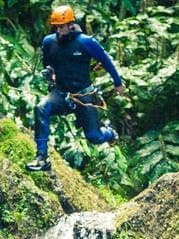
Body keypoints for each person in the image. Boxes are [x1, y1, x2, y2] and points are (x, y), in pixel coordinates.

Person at [26, 5, 124, 172]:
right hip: (62, 93)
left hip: (84, 96)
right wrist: (50, 72)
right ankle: (41, 158)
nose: (59, 30)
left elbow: (106, 60)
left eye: (62, 26)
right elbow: (49, 64)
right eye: (56, 27)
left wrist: (117, 83)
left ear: (71, 24)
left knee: (94, 136)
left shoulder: (86, 42)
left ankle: (110, 133)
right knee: (42, 108)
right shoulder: (49, 42)